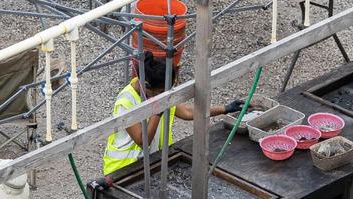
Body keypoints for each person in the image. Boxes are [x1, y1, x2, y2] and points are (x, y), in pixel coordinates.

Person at [102, 51, 246, 175]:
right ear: (146, 84)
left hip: (150, 162)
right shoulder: (126, 103)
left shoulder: (154, 94)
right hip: (123, 168)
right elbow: (142, 141)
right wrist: (158, 112)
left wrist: (225, 108)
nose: (164, 96)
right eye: (160, 92)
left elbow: (188, 112)